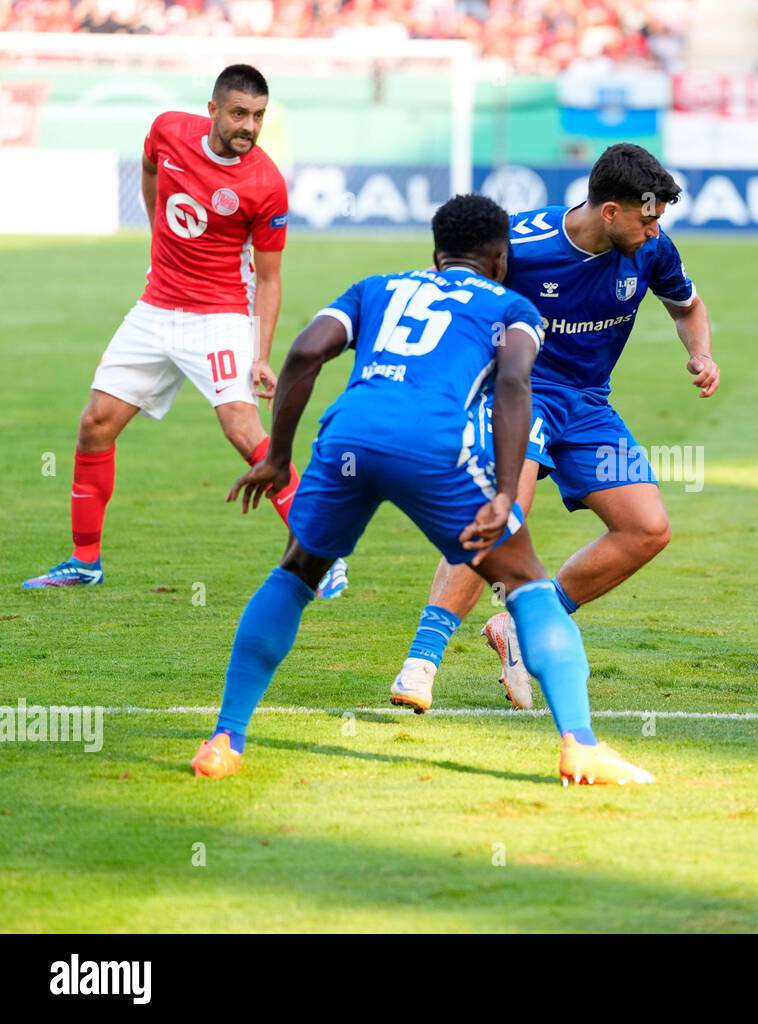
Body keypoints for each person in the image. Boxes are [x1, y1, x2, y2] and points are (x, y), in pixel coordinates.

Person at [190, 194, 654, 786]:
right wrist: (507, 492)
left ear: (437, 252)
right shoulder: (512, 308)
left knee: (296, 572)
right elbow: (515, 384)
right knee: (528, 585)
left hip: (348, 438)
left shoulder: (375, 288)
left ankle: (225, 739)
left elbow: (307, 351)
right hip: (435, 446)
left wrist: (278, 456)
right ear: (501, 256)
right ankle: (580, 745)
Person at [389, 144, 716, 713]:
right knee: (502, 510)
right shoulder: (520, 244)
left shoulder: (653, 249)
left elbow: (687, 307)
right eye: (646, 218)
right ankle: (422, 661)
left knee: (647, 528)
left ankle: (519, 625)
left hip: (587, 406)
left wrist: (701, 354)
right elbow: (447, 285)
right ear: (609, 211)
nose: (654, 229)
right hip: (520, 392)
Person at [22, 64, 347, 598]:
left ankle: (323, 554)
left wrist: (260, 353)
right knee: (95, 424)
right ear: (213, 109)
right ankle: (84, 561)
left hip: (218, 317)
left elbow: (268, 279)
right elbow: (150, 167)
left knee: (245, 433)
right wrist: (157, 234)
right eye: (240, 113)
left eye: (259, 116)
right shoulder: (169, 129)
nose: (249, 126)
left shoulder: (266, 184)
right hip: (154, 309)